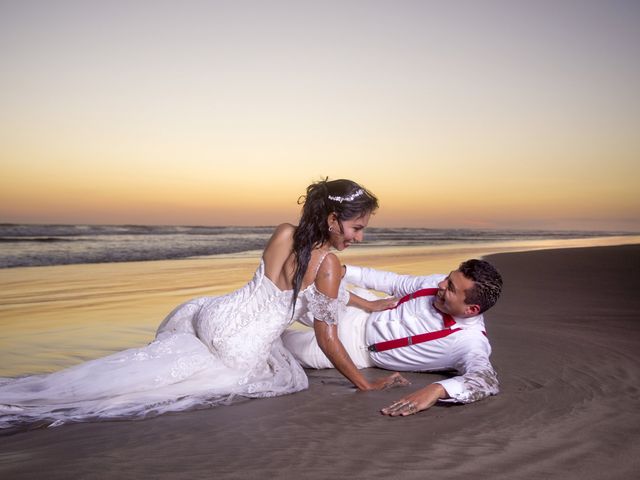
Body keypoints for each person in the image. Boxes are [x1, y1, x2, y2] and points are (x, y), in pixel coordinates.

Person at [0, 178, 404, 431]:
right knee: (142, 390)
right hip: (239, 346)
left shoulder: (285, 232)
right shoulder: (328, 264)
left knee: (138, 367)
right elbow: (328, 337)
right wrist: (365, 383)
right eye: (357, 227)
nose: (359, 237)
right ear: (334, 219)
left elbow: (292, 288)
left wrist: (367, 306)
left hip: (213, 315)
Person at [282, 258, 503, 416]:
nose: (441, 284)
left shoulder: (470, 342)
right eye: (447, 278)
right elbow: (393, 282)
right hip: (360, 309)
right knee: (285, 297)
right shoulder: (438, 283)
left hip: (353, 349)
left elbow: (486, 379)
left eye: (451, 287)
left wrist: (438, 389)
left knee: (275, 345)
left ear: (471, 309)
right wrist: (345, 271)